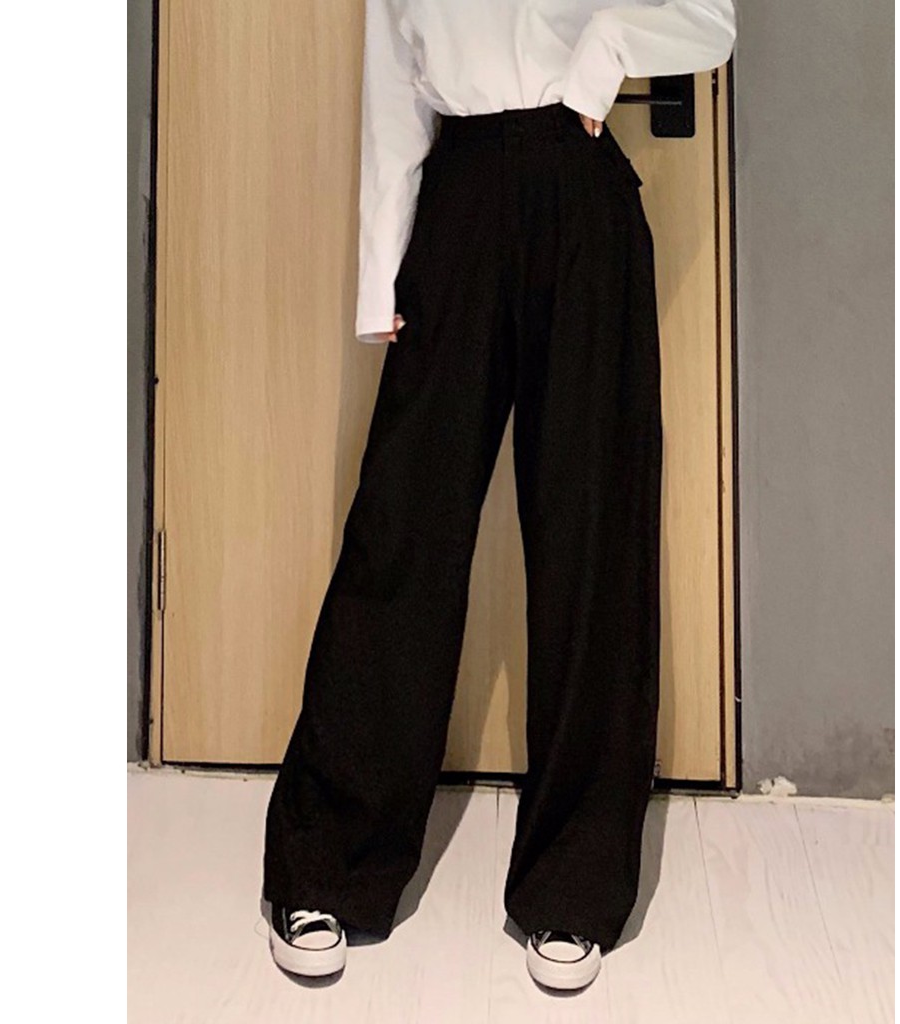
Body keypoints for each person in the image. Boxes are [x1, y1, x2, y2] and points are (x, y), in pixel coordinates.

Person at [262, 0, 736, 992]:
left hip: (583, 188)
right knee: (403, 526)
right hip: (460, 198)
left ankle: (574, 887)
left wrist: (604, 52)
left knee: (591, 531)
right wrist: (380, 275)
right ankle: (331, 863)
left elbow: (709, 20)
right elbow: (394, 89)